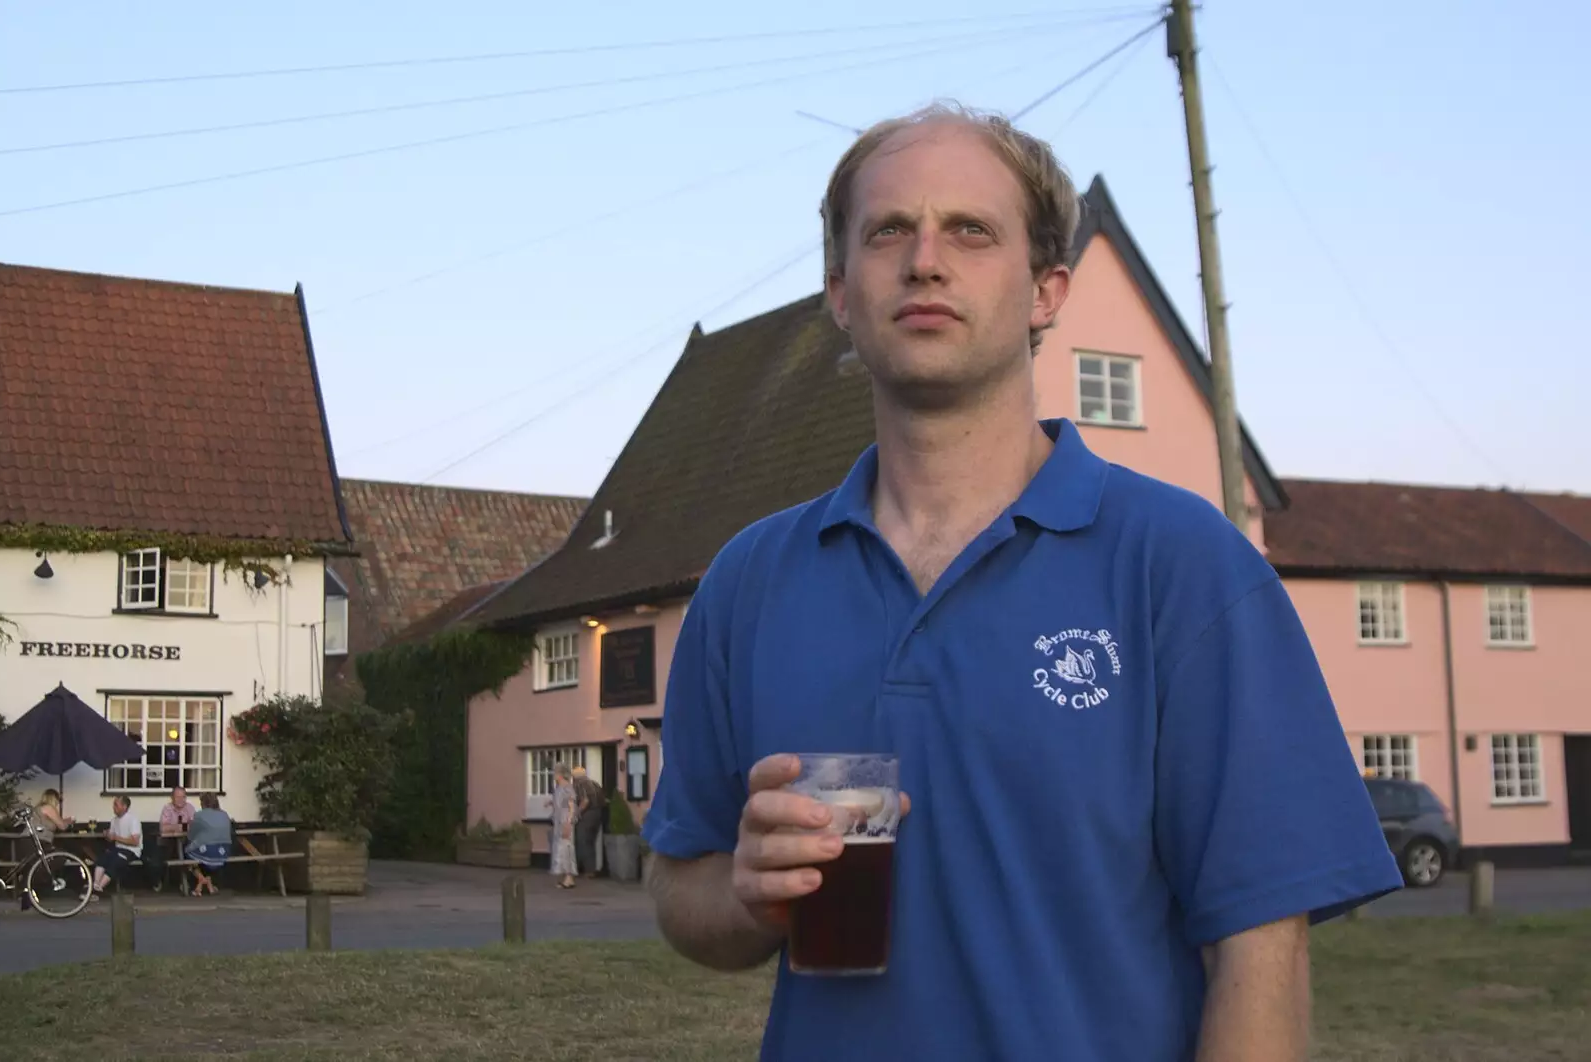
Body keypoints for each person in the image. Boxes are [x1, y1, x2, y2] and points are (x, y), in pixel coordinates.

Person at [641, 102, 1403, 1061]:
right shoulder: (750, 580)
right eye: (888, 231)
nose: (926, 260)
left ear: (1046, 291)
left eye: (970, 230)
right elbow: (681, 888)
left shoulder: (1181, 564)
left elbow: (1260, 957)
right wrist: (748, 891)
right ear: (840, 291)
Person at [90, 795, 142, 900]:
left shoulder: (133, 820)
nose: (113, 807)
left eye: (116, 805)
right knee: (103, 858)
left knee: (115, 862)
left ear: (124, 806)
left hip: (131, 851)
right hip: (117, 849)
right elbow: (112, 838)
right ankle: (95, 886)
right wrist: (107, 835)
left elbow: (135, 841)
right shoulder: (114, 820)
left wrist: (115, 837)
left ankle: (99, 887)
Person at [184, 792, 233, 897]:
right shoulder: (224, 814)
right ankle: (209, 885)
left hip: (208, 851)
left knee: (187, 853)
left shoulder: (199, 815)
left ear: (203, 803)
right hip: (224, 852)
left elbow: (191, 836)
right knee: (206, 857)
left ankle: (201, 880)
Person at [150, 785, 197, 891]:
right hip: (168, 842)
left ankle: (185, 883)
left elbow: (195, 826)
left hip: (186, 841)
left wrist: (177, 827)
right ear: (172, 798)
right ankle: (159, 881)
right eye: (178, 797)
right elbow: (163, 828)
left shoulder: (190, 808)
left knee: (190, 854)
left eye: (183, 797)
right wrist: (183, 826)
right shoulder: (167, 808)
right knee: (158, 858)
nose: (181, 800)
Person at [571, 764, 605, 877]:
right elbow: (603, 799)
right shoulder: (594, 783)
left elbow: (585, 800)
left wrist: (577, 812)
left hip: (587, 815)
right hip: (598, 814)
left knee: (583, 841)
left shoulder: (580, 784)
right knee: (591, 841)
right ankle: (593, 868)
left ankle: (588, 870)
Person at [548, 762, 578, 889]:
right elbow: (559, 802)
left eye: (555, 773)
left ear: (560, 774)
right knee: (561, 848)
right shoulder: (558, 788)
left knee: (566, 848)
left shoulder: (567, 788)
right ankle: (567, 877)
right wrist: (550, 803)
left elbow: (571, 806)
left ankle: (569, 877)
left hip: (565, 821)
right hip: (559, 821)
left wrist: (569, 822)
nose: (553, 775)